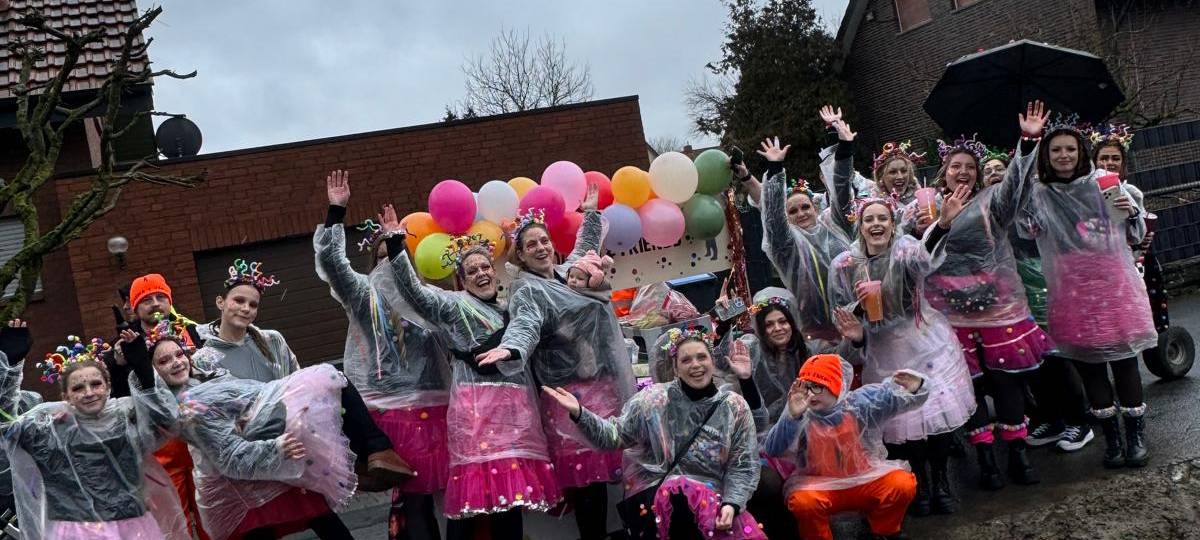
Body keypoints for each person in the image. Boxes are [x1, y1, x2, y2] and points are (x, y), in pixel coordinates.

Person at [477, 184, 636, 540]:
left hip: (601, 387)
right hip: (568, 398)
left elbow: (586, 247)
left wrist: (591, 214)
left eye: (544, 241)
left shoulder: (569, 274)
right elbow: (525, 324)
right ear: (519, 254)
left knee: (609, 482)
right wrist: (512, 349)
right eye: (530, 245)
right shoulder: (528, 290)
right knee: (589, 490)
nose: (540, 248)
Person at [386, 224, 559, 540]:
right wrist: (397, 245)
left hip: (515, 415)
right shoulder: (453, 306)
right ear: (461, 281)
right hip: (476, 415)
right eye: (472, 270)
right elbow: (414, 293)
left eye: (485, 267)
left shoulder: (512, 309)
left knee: (512, 499)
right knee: (470, 502)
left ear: (494, 272)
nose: (481, 273)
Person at [918, 103, 1055, 490]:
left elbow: (1015, 187)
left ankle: (1016, 452)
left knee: (1007, 382)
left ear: (978, 174)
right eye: (955, 166)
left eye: (969, 167)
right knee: (971, 387)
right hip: (949, 315)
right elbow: (916, 258)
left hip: (997, 308)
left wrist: (1027, 143)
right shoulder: (923, 208)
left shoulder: (993, 200)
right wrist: (937, 222)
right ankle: (985, 459)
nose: (962, 172)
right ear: (943, 171)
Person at [314, 170, 452, 540]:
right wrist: (336, 212)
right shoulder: (365, 297)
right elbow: (332, 265)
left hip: (440, 410)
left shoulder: (429, 301)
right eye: (381, 257)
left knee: (455, 501)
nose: (389, 263)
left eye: (396, 253)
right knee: (416, 501)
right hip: (394, 414)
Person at [193, 259, 412, 490]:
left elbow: (295, 378)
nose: (246, 308)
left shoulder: (271, 339)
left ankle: (372, 455)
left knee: (334, 379)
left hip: (286, 416)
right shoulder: (203, 358)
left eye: (253, 304)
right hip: (248, 432)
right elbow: (209, 411)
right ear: (220, 302)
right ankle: (363, 458)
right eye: (238, 300)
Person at [1020, 117, 1157, 469]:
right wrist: (1025, 149)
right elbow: (1027, 229)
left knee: (1125, 362)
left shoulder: (1103, 183)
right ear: (1045, 156)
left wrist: (1130, 213)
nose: (1063, 155)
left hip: (1114, 287)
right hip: (1072, 293)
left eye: (1070, 148)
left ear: (1081, 152)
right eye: (1055, 150)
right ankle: (1111, 440)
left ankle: (1135, 437)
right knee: (1090, 369)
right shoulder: (1039, 192)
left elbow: (1134, 233)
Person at [827, 195, 975, 516]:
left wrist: (944, 223)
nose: (876, 224)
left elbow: (924, 258)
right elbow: (843, 313)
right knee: (902, 427)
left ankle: (941, 481)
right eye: (869, 219)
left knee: (936, 419)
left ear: (892, 224)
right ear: (860, 227)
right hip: (884, 351)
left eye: (883, 218)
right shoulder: (845, 265)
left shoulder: (904, 248)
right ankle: (919, 482)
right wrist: (858, 333)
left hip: (924, 343)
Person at [543, 328, 766, 540]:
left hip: (716, 501)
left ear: (712, 361)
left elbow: (743, 464)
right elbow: (614, 436)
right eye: (686, 360)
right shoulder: (653, 401)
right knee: (678, 490)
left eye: (701, 357)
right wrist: (581, 414)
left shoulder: (734, 407)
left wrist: (732, 503)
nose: (695, 365)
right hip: (661, 503)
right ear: (676, 368)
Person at [146, 321, 357, 540]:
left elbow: (251, 399)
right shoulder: (186, 405)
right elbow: (230, 456)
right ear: (153, 371)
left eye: (179, 354)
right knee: (303, 523)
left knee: (323, 520)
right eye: (164, 360)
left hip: (260, 470)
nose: (176, 363)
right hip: (241, 486)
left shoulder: (203, 380)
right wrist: (275, 447)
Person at [0, 321, 188, 540]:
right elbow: (7, 430)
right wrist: (9, 369)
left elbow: (167, 424)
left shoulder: (125, 415)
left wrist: (145, 372)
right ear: (65, 396)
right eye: (78, 388)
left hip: (133, 528)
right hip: (76, 532)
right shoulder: (48, 429)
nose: (89, 393)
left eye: (96, 384)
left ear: (108, 387)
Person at [763, 353, 926, 540]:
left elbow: (893, 398)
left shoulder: (859, 403)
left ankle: (884, 532)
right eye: (806, 387)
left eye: (817, 386)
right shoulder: (800, 412)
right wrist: (791, 417)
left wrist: (918, 387)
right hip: (821, 488)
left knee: (902, 484)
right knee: (803, 502)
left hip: (865, 479)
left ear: (835, 386)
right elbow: (772, 449)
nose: (810, 394)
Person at [759, 108, 857, 352]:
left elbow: (842, 191)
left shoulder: (836, 225)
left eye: (805, 207)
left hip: (857, 322)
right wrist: (775, 170)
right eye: (792, 211)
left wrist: (841, 146)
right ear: (787, 218)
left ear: (815, 207)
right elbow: (773, 219)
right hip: (816, 336)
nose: (801, 213)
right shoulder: (786, 246)